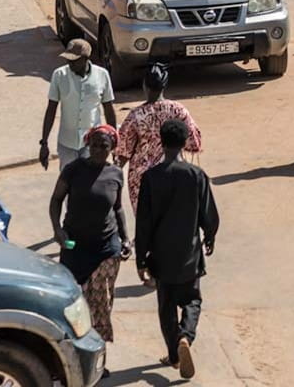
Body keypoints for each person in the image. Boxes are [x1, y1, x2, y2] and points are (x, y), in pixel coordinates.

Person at [136, 119, 219, 379]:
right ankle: (186, 336)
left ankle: (174, 352)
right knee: (193, 300)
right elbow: (209, 215)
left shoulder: (150, 178)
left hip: (161, 256)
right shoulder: (196, 176)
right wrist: (209, 236)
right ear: (185, 144)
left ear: (161, 142)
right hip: (189, 253)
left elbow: (143, 223)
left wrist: (141, 259)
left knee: (167, 306)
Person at [50, 124, 129, 371]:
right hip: (74, 247)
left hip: (106, 248)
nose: (97, 150)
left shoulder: (115, 174)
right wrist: (58, 230)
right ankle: (72, 360)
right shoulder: (73, 170)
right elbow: (56, 200)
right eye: (94, 145)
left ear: (112, 148)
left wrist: (126, 239)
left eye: (104, 146)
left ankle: (98, 361)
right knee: (74, 305)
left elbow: (117, 208)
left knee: (100, 304)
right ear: (87, 144)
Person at [114, 63, 203, 217]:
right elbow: (194, 143)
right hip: (175, 173)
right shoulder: (178, 110)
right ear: (164, 86)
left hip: (141, 180)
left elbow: (122, 151)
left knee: (146, 224)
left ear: (145, 86)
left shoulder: (136, 116)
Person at [42, 39, 118, 169]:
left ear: (85, 59)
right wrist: (44, 143)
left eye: (74, 60)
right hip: (67, 142)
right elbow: (51, 109)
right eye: (68, 60)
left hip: (93, 145)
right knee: (67, 182)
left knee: (90, 180)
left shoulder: (102, 75)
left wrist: (114, 142)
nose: (70, 63)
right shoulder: (59, 75)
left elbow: (109, 109)